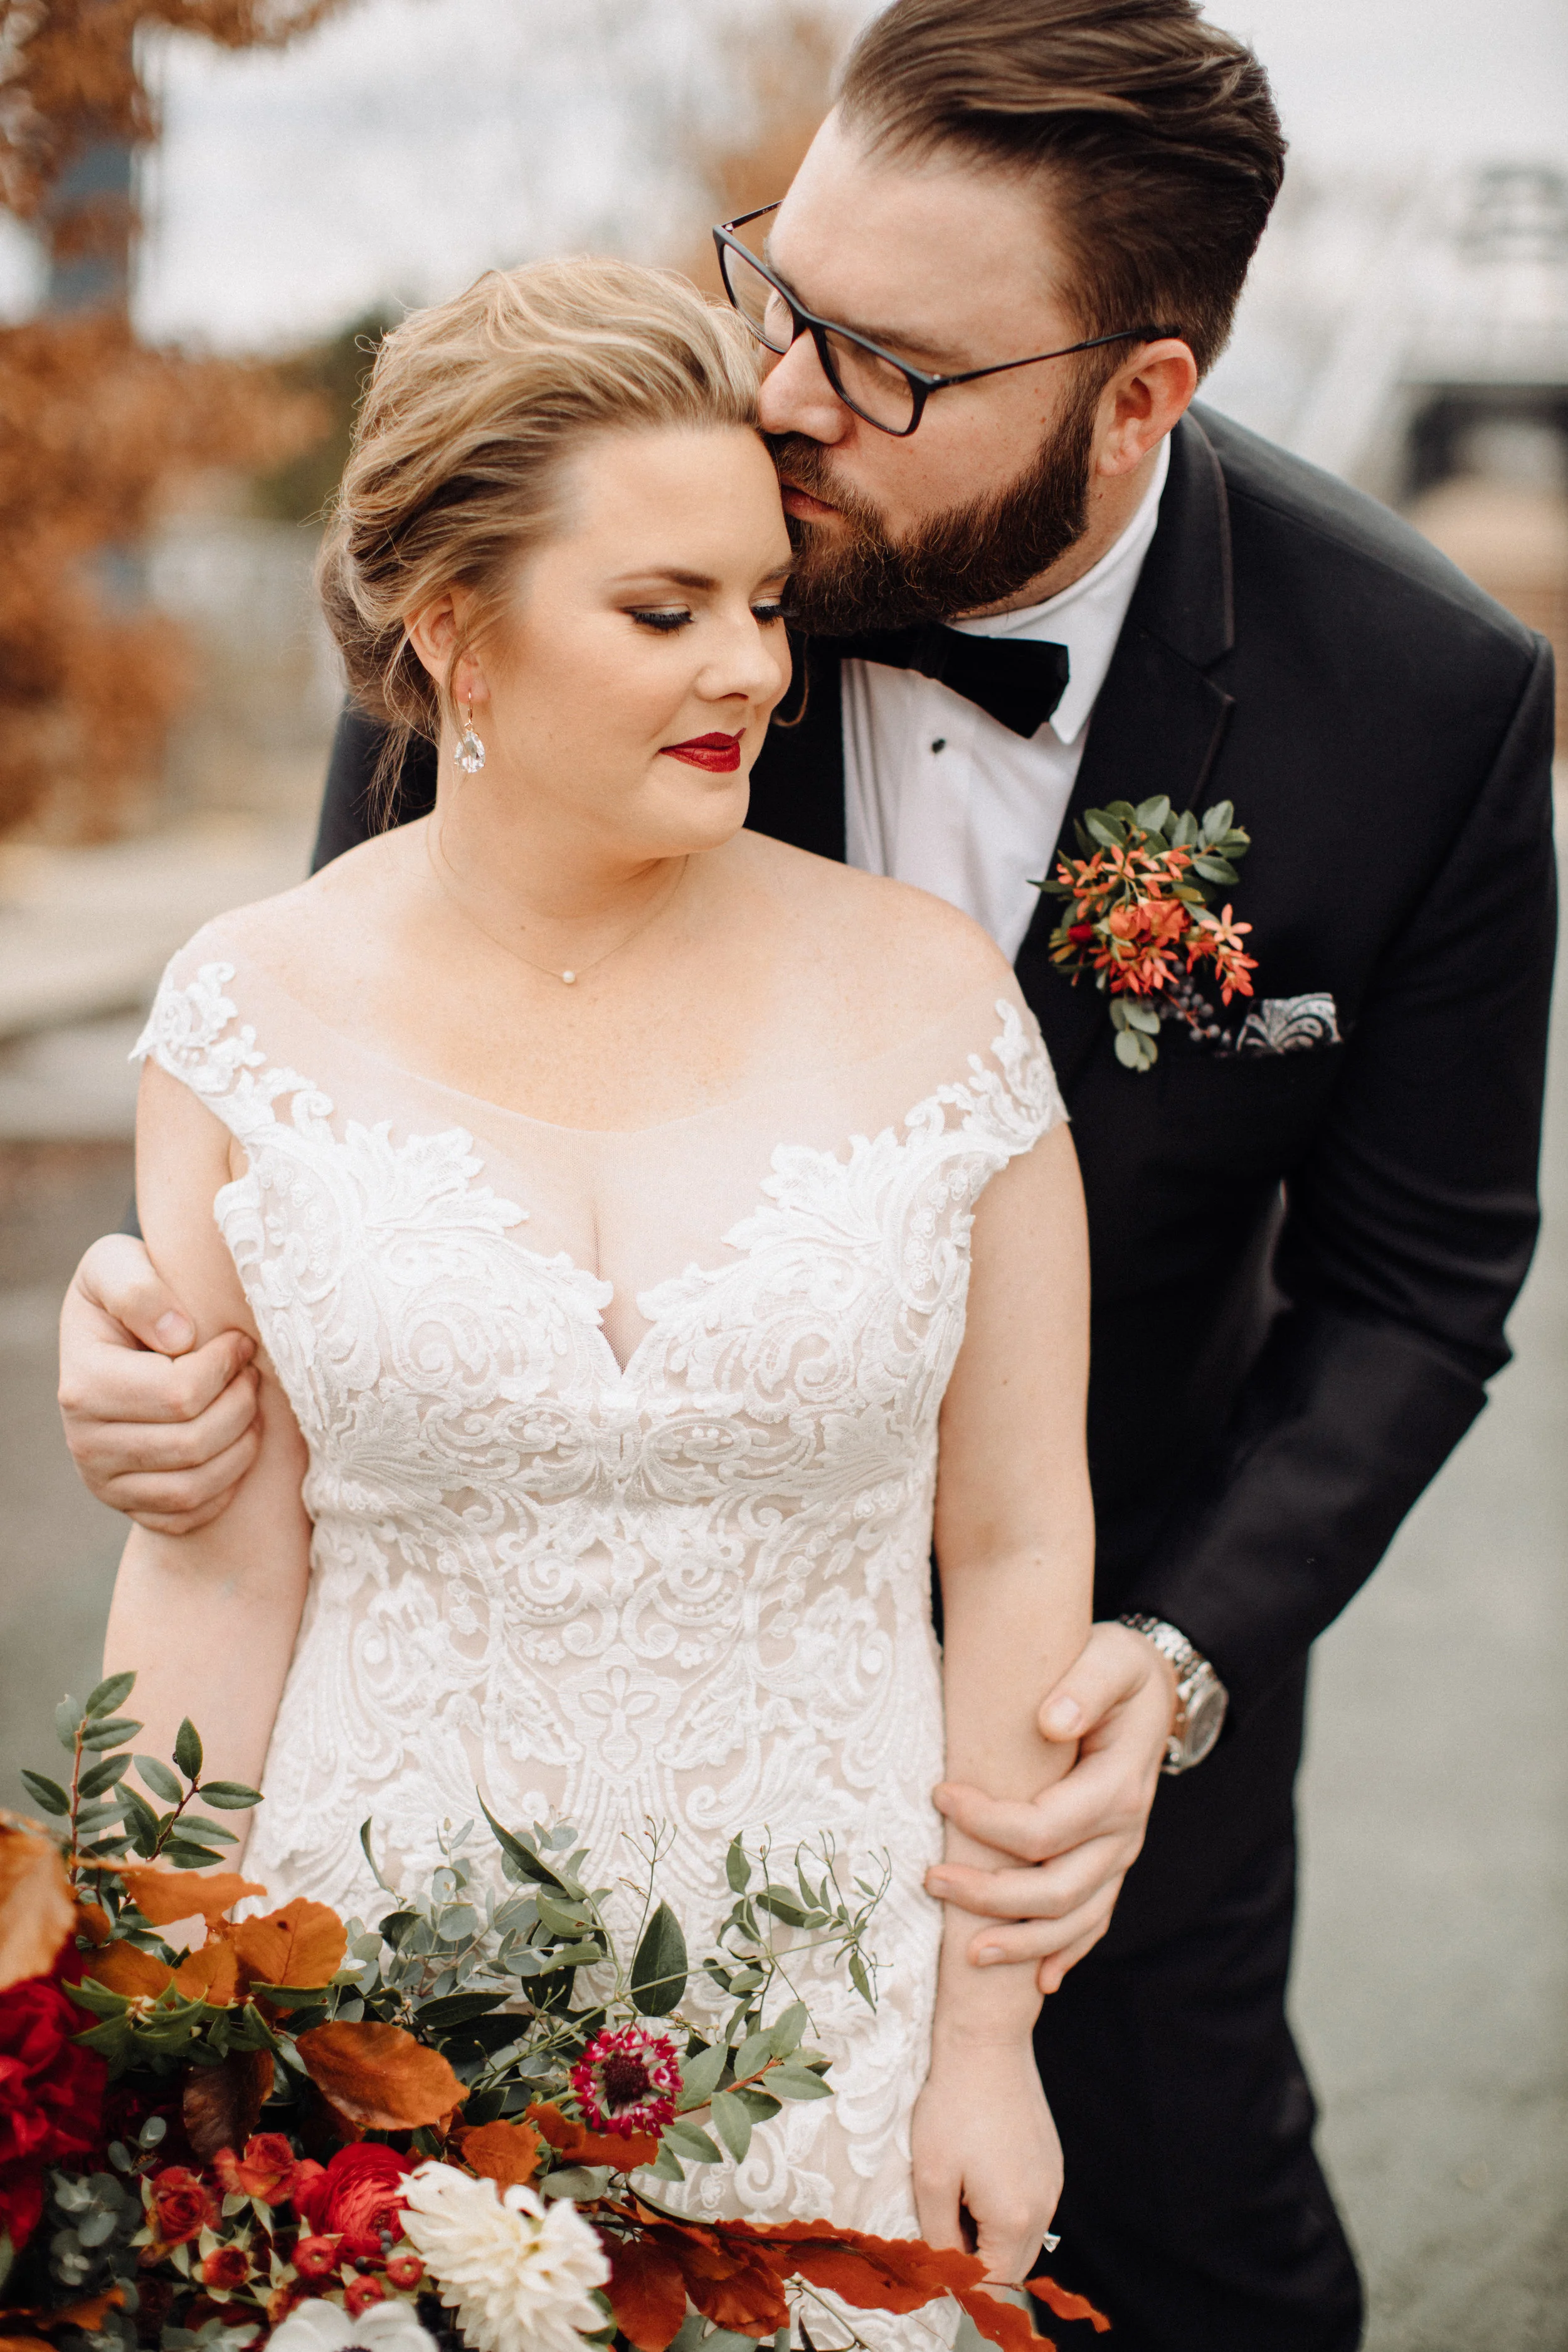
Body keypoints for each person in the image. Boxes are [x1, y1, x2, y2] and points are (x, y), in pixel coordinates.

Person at [60, 2, 1555, 2347]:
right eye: (779, 288)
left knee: (1219, 2285)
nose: (777, 398)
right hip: (448, 1789)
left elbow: (1422, 1282)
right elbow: (349, 1102)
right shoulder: (604, 548)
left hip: (1071, 1757)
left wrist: (1153, 1675)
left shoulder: (1422, 702)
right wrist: (149, 1349)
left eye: (879, 361)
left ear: (1131, 395)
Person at [105, 255, 1094, 2289]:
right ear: (454, 631)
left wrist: (983, 2040)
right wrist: (145, 2039)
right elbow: (216, 1558)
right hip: (365, 2022)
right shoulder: (245, 1016)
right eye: (663, 613)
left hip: (828, 2021)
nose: (749, 668)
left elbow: (1009, 1540)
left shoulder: (930, 996)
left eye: (759, 603)